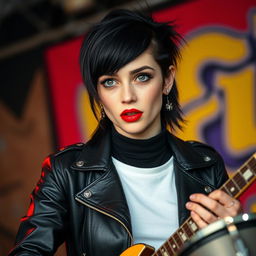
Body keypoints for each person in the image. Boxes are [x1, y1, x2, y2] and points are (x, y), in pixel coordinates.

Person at [9, 8, 242, 256]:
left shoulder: (205, 166)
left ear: (167, 80)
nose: (127, 96)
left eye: (141, 77)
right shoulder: (66, 172)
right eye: (110, 82)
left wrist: (233, 234)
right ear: (98, 94)